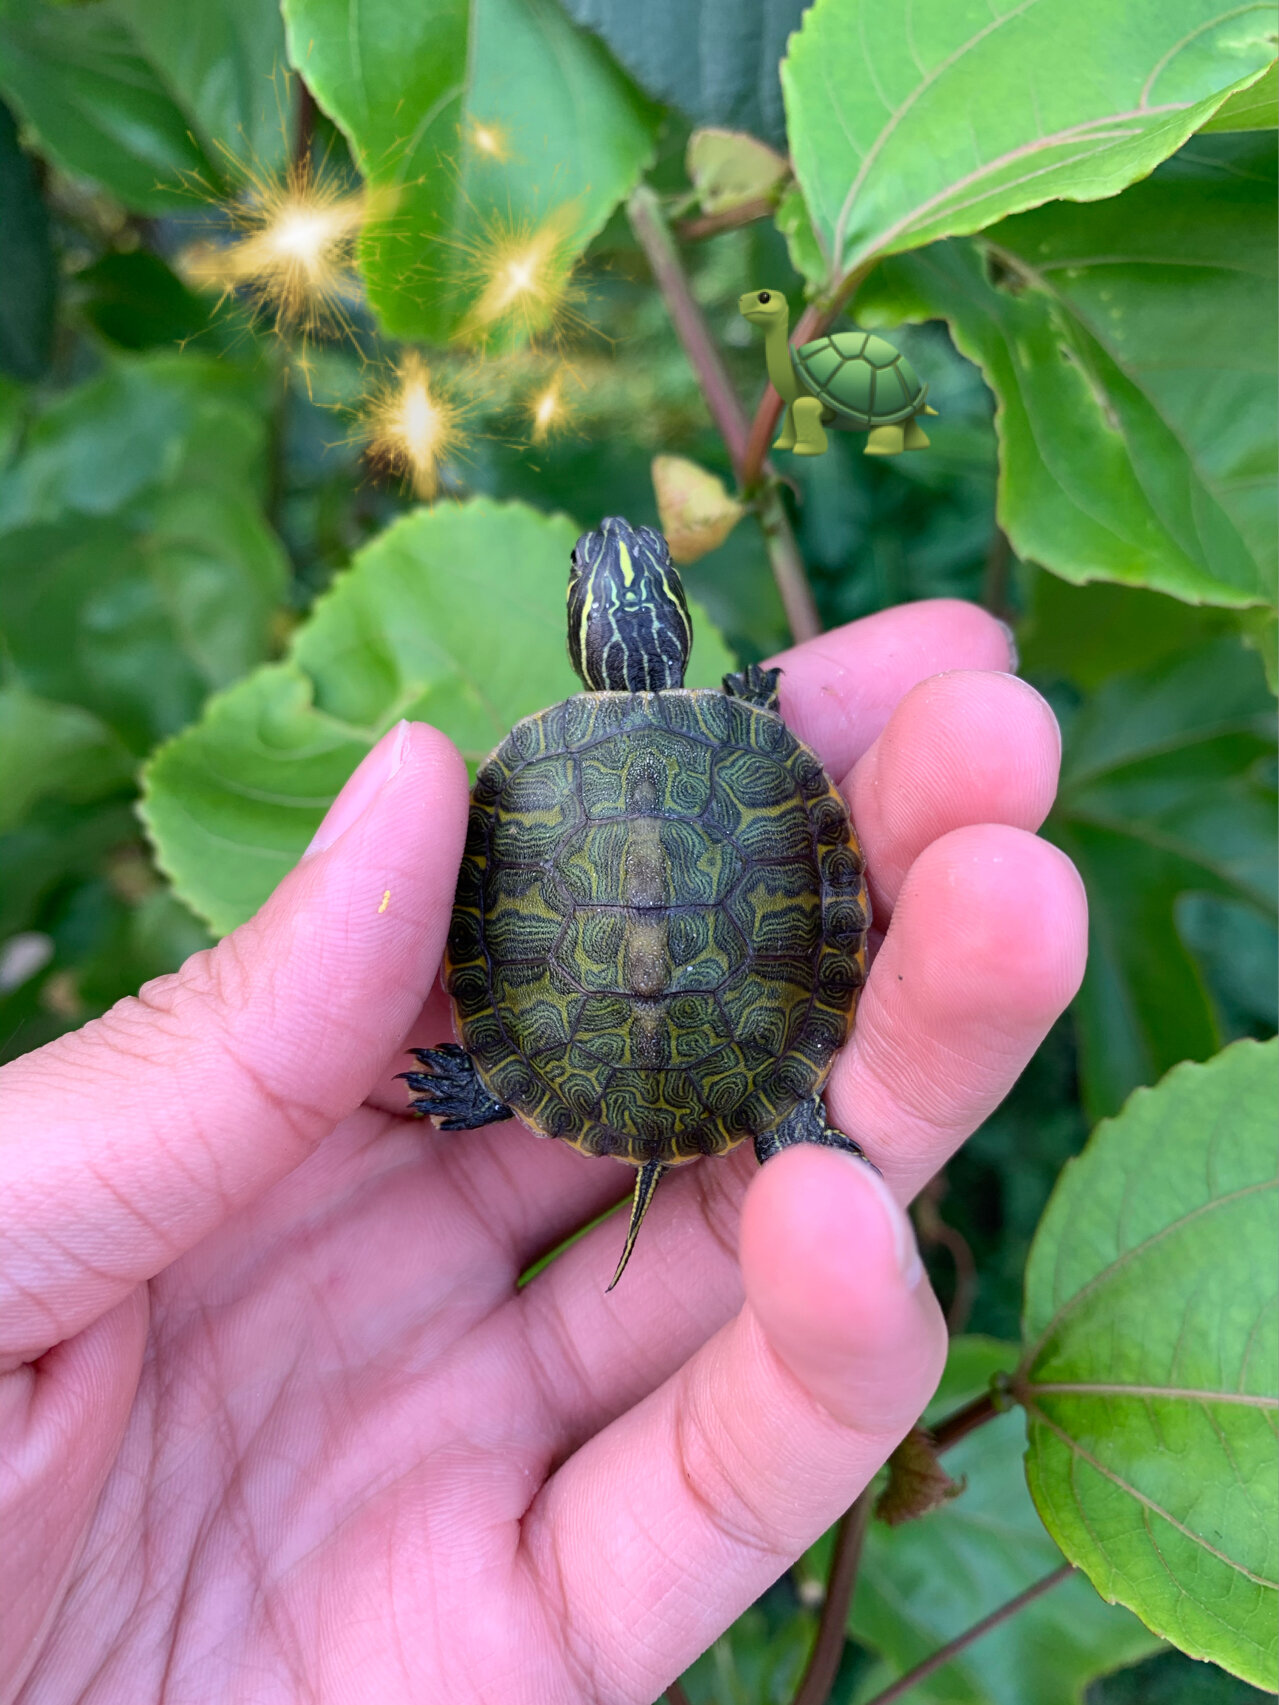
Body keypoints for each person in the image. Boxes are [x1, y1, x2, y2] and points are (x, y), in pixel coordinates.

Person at [0, 600, 1083, 1703]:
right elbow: (784, 819)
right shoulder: (744, 731)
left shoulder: (541, 758)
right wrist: (747, 708)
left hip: (560, 1064)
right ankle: (781, 1111)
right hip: (748, 1054)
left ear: (585, 632)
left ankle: (512, 1088)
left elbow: (502, 875)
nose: (612, 580)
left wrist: (511, 1071)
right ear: (660, 624)